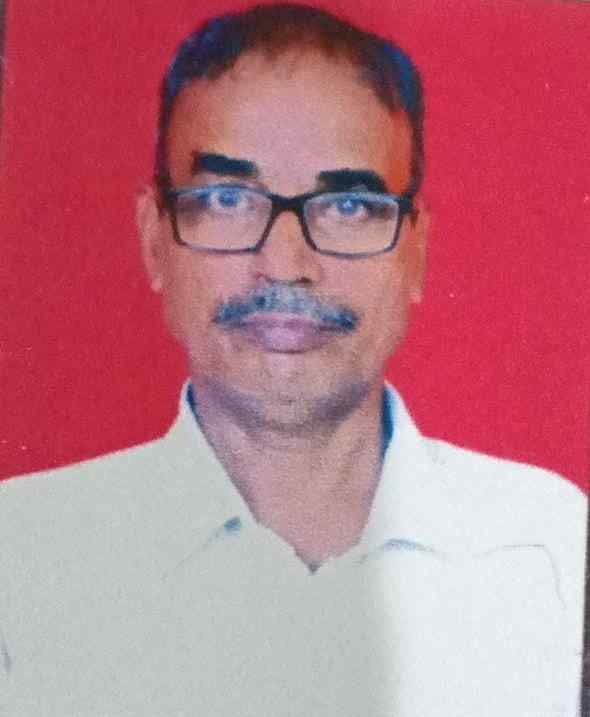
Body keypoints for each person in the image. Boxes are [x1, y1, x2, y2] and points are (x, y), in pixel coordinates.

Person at [0, 4, 586, 715]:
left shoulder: (551, 548)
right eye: (227, 199)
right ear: (155, 240)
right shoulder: (24, 558)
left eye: (347, 206)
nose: (285, 264)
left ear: (416, 253)